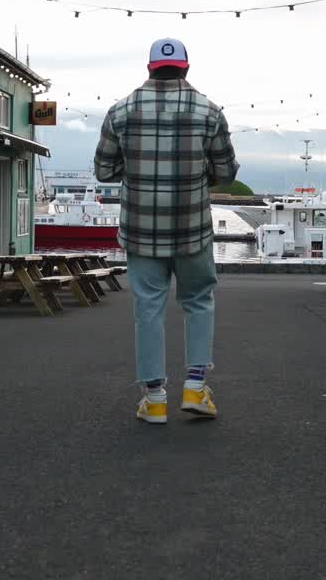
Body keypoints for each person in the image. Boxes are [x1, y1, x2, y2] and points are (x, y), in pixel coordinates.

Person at [94, 38, 240, 425]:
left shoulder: (120, 111)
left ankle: (155, 398)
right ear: (186, 69)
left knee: (148, 309)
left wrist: (141, 173)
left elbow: (104, 171)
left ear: (149, 68)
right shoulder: (209, 111)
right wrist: (195, 174)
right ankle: (195, 388)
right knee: (199, 301)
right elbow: (226, 172)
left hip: (141, 230)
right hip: (192, 227)